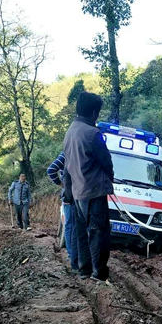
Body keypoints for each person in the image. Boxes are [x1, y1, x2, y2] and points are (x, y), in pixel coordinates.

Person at [63, 92, 114, 282]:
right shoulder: (93, 133)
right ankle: (99, 274)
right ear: (94, 112)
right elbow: (106, 162)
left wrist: (68, 192)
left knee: (81, 232)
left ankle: (84, 269)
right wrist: (110, 178)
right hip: (94, 191)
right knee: (99, 234)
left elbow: (67, 167)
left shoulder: (70, 132)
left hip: (77, 193)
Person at [47, 151, 80, 272]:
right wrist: (62, 185)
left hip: (70, 196)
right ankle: (73, 256)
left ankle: (73, 256)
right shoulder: (80, 153)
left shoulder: (66, 154)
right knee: (73, 226)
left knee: (70, 226)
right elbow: (51, 170)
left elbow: (51, 170)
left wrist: (62, 185)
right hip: (78, 196)